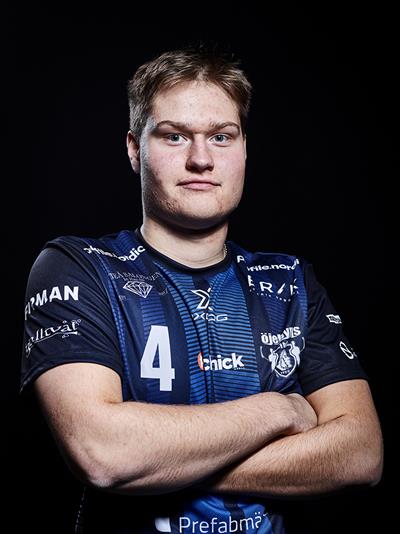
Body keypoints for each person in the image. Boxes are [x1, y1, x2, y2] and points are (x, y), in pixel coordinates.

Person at [20, 47, 383, 534]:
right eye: (174, 136)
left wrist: (162, 465)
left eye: (221, 136)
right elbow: (103, 453)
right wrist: (281, 410)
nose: (201, 159)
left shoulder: (289, 281)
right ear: (134, 149)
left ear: (245, 149)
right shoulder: (79, 267)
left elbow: (361, 453)